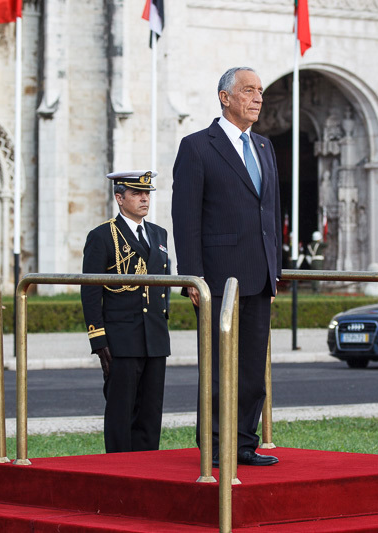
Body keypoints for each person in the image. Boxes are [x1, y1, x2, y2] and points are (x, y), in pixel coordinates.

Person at [172, 66, 281, 467]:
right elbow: (185, 217)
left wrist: (275, 270)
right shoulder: (197, 146)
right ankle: (217, 446)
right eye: (249, 90)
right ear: (225, 97)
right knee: (220, 368)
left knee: (252, 370)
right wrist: (193, 276)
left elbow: (271, 213)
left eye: (260, 91)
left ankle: (244, 443)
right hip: (218, 279)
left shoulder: (265, 147)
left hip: (260, 277)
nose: (258, 98)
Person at [81, 170, 171, 453]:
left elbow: (163, 284)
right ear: (119, 198)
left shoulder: (159, 234)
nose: (144, 199)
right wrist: (98, 338)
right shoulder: (102, 236)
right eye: (136, 194)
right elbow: (91, 291)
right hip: (121, 337)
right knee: (121, 411)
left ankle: (147, 465)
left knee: (150, 411)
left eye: (147, 194)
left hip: (154, 336)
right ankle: (119, 466)